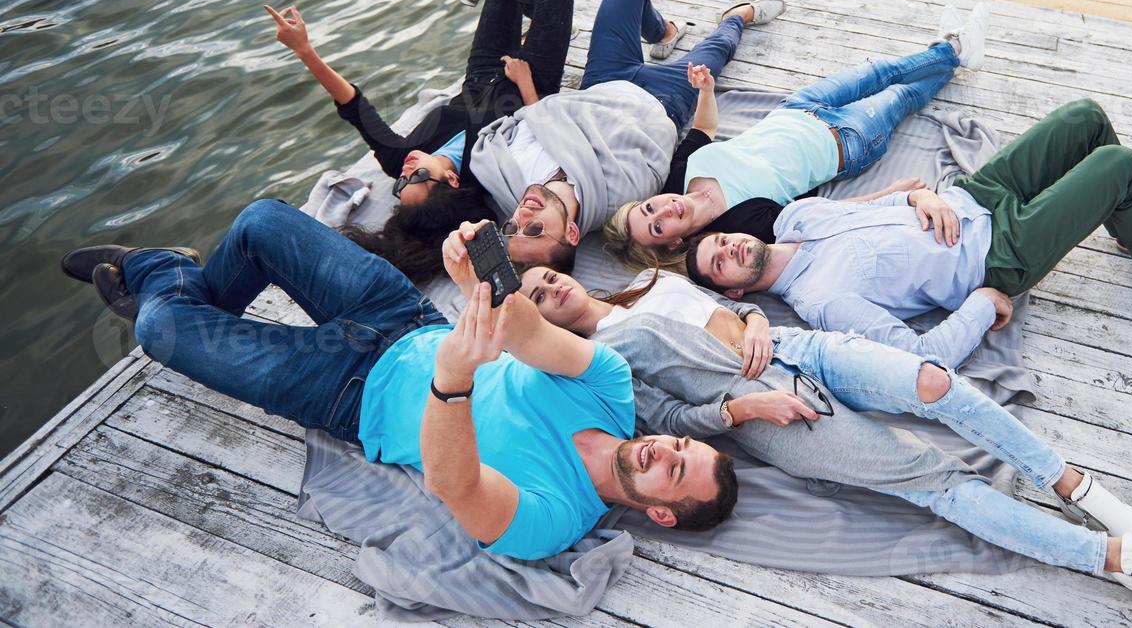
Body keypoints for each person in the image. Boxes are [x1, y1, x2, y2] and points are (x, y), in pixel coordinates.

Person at [512, 262, 1132, 601]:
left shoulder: (640, 280)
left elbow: (723, 303)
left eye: (546, 276)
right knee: (937, 483)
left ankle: (1074, 482)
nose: (550, 288)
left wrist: (761, 318)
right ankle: (1118, 559)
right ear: (540, 321)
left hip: (793, 346)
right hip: (766, 409)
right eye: (538, 298)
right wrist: (744, 411)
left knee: (936, 383)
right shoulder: (600, 367)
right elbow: (670, 422)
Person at [58, 201, 738, 561]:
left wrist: (451, 385)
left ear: (660, 512)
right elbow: (531, 335)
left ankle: (164, 281)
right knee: (264, 221)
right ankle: (182, 295)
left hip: (346, 393)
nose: (667, 451)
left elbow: (456, 485)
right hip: (401, 315)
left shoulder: (555, 521)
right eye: (683, 448)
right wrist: (483, 280)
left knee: (158, 334)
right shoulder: (613, 391)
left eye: (677, 472)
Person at [686, 99, 1132, 367]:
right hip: (996, 253)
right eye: (721, 262)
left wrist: (920, 195)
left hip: (975, 195)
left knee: (1083, 119)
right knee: (1119, 163)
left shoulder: (795, 219)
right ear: (734, 291)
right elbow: (922, 355)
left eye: (721, 240)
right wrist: (982, 303)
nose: (730, 246)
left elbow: (883, 200)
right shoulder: (821, 301)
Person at [601, 3, 989, 271]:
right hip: (845, 141)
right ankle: (955, 47)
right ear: (671, 244)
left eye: (650, 208)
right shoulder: (739, 229)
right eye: (657, 227)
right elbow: (821, 218)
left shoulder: (677, 175)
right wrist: (895, 195)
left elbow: (703, 129)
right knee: (901, 94)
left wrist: (705, 90)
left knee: (880, 70)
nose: (664, 210)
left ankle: (953, 50)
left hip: (797, 107)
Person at [266, 0, 576, 281]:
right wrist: (526, 81)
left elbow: (354, 105)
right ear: (452, 182)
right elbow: (541, 130)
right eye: (417, 177)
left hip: (483, 71)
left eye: (400, 185)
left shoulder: (399, 156)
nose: (405, 171)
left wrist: (303, 50)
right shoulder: (487, 169)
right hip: (533, 80)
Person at [458, 0, 782, 271]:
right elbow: (658, 148)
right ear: (572, 233)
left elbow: (538, 114)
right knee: (720, 47)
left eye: (511, 226)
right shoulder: (619, 201)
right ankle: (736, 16)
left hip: (603, 79)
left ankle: (662, 32)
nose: (523, 217)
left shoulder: (507, 173)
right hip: (664, 100)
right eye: (534, 230)